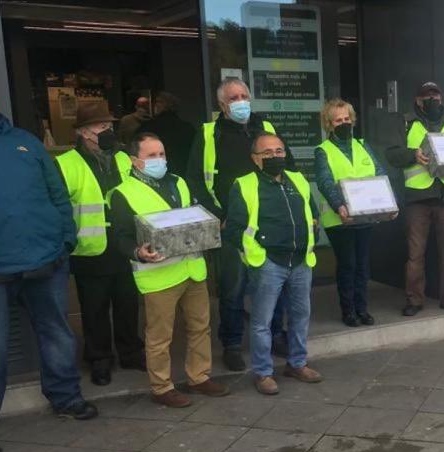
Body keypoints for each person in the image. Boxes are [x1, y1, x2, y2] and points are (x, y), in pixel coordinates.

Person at [0, 74, 97, 441]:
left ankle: (66, 397)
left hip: (45, 257)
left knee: (56, 334)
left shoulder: (25, 142)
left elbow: (57, 193)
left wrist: (65, 238)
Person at [109, 133, 229, 408]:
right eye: (151, 156)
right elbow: (121, 237)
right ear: (134, 161)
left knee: (200, 327)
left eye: (161, 154)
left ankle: (199, 377)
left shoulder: (179, 182)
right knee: (160, 336)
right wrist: (138, 252)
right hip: (158, 275)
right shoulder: (122, 193)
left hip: (192, 268)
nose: (159, 160)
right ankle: (161, 387)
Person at [186, 77, 288, 372]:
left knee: (272, 284)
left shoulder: (265, 127)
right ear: (222, 104)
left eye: (244, 96)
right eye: (233, 98)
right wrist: (218, 216)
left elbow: (287, 167)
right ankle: (231, 343)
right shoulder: (209, 134)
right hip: (231, 225)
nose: (241, 102)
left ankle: (275, 335)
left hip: (268, 221)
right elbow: (196, 179)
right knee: (233, 288)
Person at [224, 133, 323, 395]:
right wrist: (258, 254)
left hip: (301, 260)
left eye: (279, 151)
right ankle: (263, 373)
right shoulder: (244, 185)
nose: (274, 156)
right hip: (269, 263)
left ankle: (297, 364)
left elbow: (313, 215)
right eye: (267, 153)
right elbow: (233, 229)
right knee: (262, 322)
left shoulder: (298, 180)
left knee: (300, 316)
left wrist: (312, 235)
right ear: (255, 158)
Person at [55, 101, 145, 386]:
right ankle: (99, 359)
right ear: (83, 132)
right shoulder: (65, 164)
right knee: (94, 309)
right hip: (90, 249)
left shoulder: (123, 158)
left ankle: (130, 352)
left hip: (124, 243)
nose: (108, 130)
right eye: (101, 126)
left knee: (128, 304)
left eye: (109, 125)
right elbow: (59, 208)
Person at [386, 82, 444, 317]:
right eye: (427, 97)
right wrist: (413, 155)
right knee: (415, 254)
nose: (432, 100)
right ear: (418, 100)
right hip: (418, 198)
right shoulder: (406, 122)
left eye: (435, 96)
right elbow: (392, 154)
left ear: (441, 98)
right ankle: (414, 300)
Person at [314, 98, 389, 327]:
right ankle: (348, 311)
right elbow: (325, 182)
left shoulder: (362, 145)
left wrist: (389, 204)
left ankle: (362, 309)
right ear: (329, 124)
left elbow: (379, 173)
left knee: (362, 265)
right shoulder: (323, 151)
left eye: (347, 118)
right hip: (340, 219)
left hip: (364, 216)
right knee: (348, 265)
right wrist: (339, 205)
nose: (344, 123)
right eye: (338, 120)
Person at [140, 92, 196, 177]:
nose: (155, 105)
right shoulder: (188, 128)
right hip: (183, 173)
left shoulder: (149, 127)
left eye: (158, 102)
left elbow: (136, 149)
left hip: (155, 175)